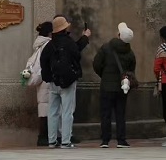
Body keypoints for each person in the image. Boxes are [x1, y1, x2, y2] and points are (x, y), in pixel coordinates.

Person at [40, 15, 90, 149]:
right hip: (68, 81)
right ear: (64, 28)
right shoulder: (68, 42)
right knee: (67, 111)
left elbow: (43, 62)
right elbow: (77, 54)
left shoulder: (49, 45)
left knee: (52, 111)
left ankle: (52, 140)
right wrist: (85, 37)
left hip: (53, 82)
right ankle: (66, 140)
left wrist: (48, 77)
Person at [93, 21, 137, 149]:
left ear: (118, 35)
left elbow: (96, 64)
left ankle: (105, 140)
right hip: (122, 87)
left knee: (105, 113)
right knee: (120, 113)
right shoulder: (130, 52)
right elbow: (131, 70)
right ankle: (121, 140)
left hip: (106, 86)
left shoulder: (106, 48)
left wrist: (104, 76)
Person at [23, 21, 53, 146]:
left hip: (41, 82)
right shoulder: (48, 45)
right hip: (46, 80)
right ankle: (45, 136)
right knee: (50, 109)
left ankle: (42, 136)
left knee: (43, 108)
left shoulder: (38, 45)